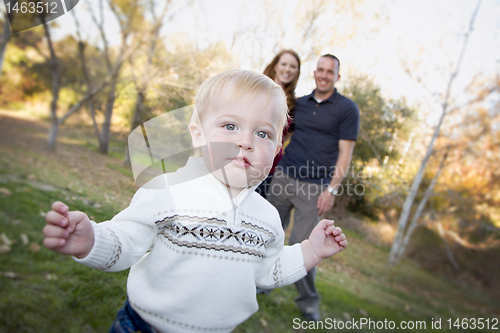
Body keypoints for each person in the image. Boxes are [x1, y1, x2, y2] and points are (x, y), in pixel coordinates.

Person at [42, 69, 349, 333]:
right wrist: (91, 241)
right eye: (230, 126)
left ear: (278, 148)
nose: (246, 141)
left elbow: (266, 271)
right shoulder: (168, 190)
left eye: (263, 134)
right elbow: (126, 242)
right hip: (143, 326)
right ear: (198, 134)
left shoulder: (267, 218)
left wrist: (310, 251)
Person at [267, 54, 360, 321]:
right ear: (314, 73)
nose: (324, 75)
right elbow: (282, 135)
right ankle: (261, 285)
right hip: (284, 176)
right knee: (270, 233)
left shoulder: (346, 109)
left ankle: (308, 303)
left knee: (305, 245)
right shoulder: (300, 104)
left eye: (330, 72)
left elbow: (345, 153)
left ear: (337, 77)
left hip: (315, 187)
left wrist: (331, 190)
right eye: (320, 69)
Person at [256, 50, 301, 199]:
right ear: (275, 65)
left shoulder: (294, 103)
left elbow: (285, 136)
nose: (287, 69)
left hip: (268, 166)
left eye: (293, 66)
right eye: (284, 64)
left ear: (297, 72)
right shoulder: (255, 88)